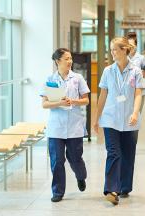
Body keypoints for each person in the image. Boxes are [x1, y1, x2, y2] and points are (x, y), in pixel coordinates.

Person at [94, 37, 144, 205]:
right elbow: (103, 95)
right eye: (111, 49)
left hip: (130, 119)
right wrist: (96, 118)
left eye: (115, 49)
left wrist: (135, 113)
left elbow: (138, 94)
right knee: (113, 153)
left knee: (128, 155)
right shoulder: (108, 71)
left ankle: (124, 187)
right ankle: (111, 189)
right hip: (111, 119)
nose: (112, 52)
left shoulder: (136, 71)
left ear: (124, 50)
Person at [40, 48, 90, 202]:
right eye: (66, 59)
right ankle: (57, 192)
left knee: (75, 158)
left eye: (70, 59)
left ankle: (81, 176)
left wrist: (73, 101)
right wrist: (59, 102)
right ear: (58, 61)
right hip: (56, 127)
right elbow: (45, 104)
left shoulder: (78, 78)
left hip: (74, 126)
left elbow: (86, 100)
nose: (70, 61)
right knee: (57, 160)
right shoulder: (50, 80)